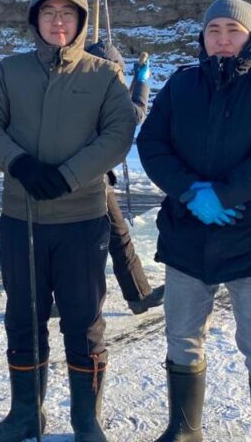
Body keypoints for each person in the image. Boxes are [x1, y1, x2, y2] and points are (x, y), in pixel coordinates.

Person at [136, 0, 251, 441]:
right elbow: (152, 144)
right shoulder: (182, 85)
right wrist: (190, 190)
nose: (223, 39)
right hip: (187, 236)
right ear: (203, 36)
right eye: (214, 30)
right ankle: (184, 429)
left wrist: (225, 194)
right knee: (182, 336)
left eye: (234, 30)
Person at [0, 0, 137, 442]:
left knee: (84, 322)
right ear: (36, 20)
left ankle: (86, 420)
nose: (58, 21)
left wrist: (68, 175)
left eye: (67, 13)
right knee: (23, 318)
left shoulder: (103, 75)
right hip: (22, 219)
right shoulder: (12, 71)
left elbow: (119, 134)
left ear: (80, 21)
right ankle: (27, 413)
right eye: (49, 12)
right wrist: (18, 162)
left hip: (81, 222)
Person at [84, 38, 164, 314]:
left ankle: (137, 294)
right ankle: (137, 296)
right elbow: (134, 113)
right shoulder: (95, 95)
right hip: (91, 179)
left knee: (103, 238)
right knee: (115, 237)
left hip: (85, 176)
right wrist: (142, 80)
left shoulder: (75, 89)